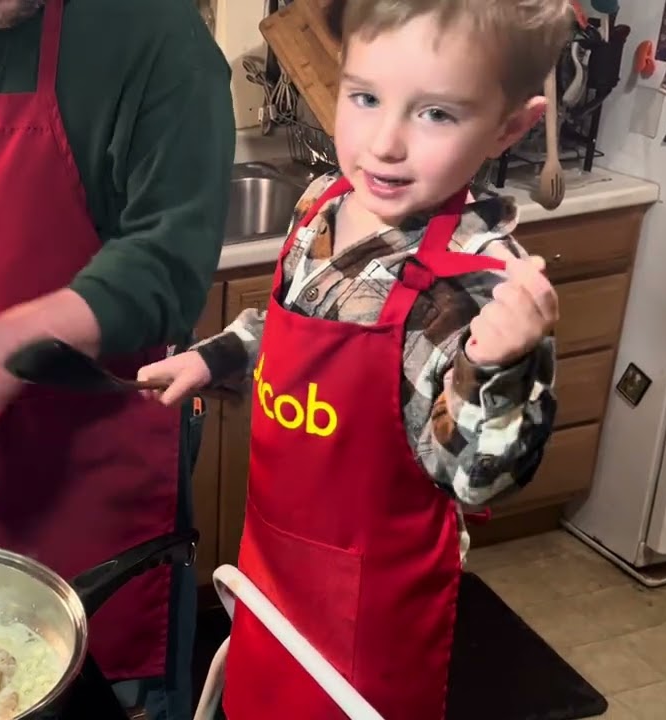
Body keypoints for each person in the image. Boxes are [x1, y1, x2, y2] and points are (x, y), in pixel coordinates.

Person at [139, 1, 568, 717]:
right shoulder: (321, 203)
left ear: (509, 128)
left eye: (435, 114)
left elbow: (477, 479)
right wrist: (217, 358)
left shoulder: (473, 291)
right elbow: (286, 327)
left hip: (366, 628)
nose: (384, 143)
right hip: (273, 576)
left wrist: (496, 364)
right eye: (365, 98)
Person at [0, 0, 235, 715]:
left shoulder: (157, 33)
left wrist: (12, 338)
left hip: (93, 483)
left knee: (110, 700)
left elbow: (170, 260)